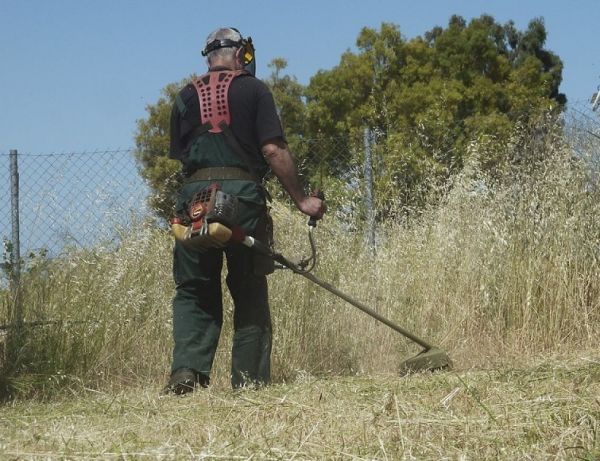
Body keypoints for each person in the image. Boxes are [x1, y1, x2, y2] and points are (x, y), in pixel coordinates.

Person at [164, 27, 325, 393]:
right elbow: (273, 150)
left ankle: (186, 372)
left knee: (193, 289)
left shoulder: (183, 97)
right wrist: (303, 201)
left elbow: (184, 160)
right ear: (240, 54)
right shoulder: (254, 89)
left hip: (194, 201)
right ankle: (249, 383)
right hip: (242, 199)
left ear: (209, 56)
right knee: (249, 287)